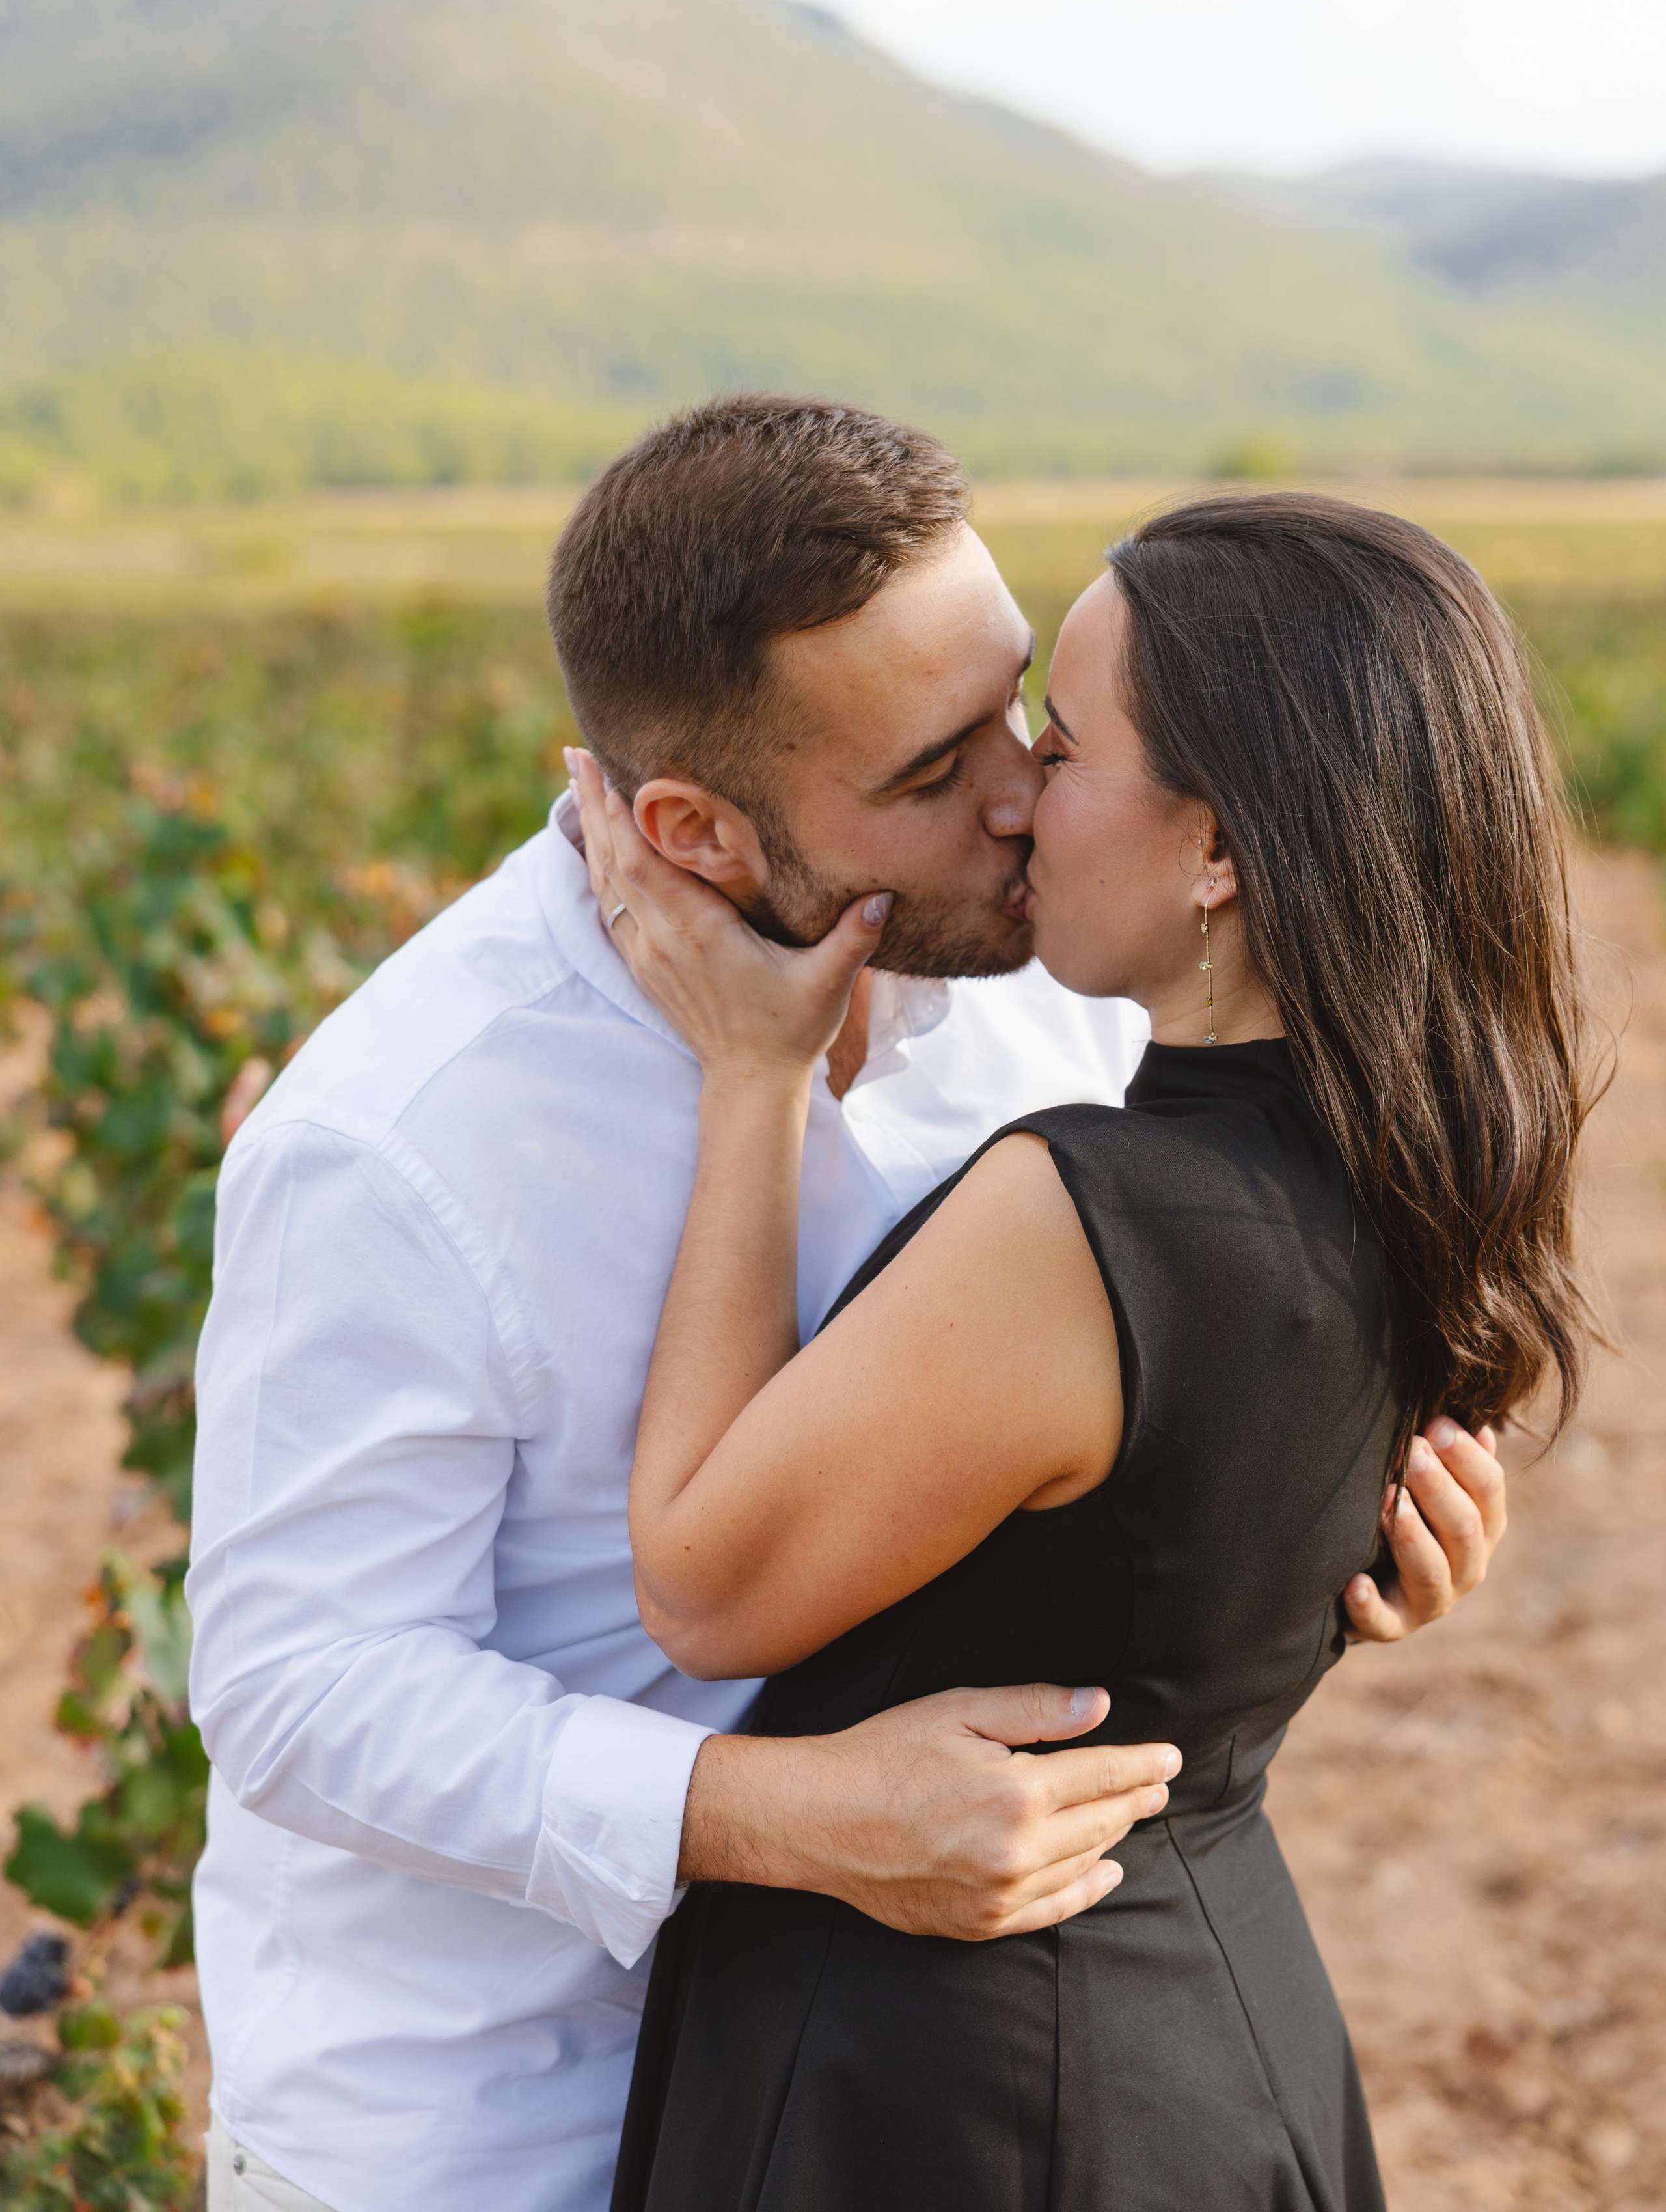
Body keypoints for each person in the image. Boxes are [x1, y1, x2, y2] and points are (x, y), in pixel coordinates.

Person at [187, 404, 1506, 2212]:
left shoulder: (1066, 1002)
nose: (1026, 796)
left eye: (1025, 709)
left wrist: (1316, 1539)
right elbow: (293, 1685)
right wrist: (783, 1820)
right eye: (934, 768)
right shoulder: (405, 1138)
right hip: (495, 2133)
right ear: (691, 829)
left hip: (887, 2100)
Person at [572, 484, 1598, 2212]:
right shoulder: (1400, 1162)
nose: (1020, 790)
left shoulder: (1091, 1221)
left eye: (1068, 740)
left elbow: (702, 1583)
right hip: (1209, 2019)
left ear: (1218, 851)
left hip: (959, 2090)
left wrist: (750, 1076)